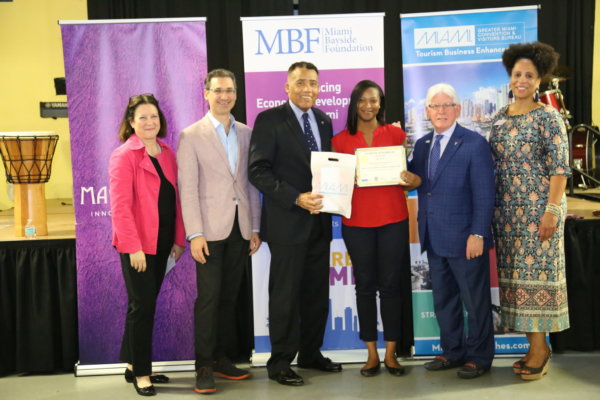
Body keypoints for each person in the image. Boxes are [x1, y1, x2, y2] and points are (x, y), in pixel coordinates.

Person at [248, 61, 341, 386]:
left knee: (316, 294)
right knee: (285, 296)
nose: (307, 89)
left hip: (320, 223)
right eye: (300, 82)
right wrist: (296, 198)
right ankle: (280, 362)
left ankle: (311, 353)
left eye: (313, 83)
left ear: (319, 87)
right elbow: (257, 170)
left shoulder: (324, 120)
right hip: (287, 223)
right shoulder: (269, 120)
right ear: (287, 87)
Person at [177, 69, 262, 394]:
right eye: (218, 91)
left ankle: (222, 359)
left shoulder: (247, 133)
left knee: (229, 298)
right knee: (209, 299)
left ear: (236, 95)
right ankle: (204, 365)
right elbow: (188, 189)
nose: (224, 96)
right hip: (209, 232)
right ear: (206, 94)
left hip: (240, 228)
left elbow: (250, 184)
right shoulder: (191, 135)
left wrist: (255, 226)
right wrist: (194, 234)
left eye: (229, 91)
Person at [490, 41, 570, 380]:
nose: (521, 80)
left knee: (539, 279)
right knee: (516, 283)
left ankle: (541, 349)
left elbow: (560, 169)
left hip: (540, 213)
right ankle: (533, 346)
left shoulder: (548, 117)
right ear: (510, 76)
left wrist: (551, 211)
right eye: (517, 74)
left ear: (539, 80)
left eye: (529, 75)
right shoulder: (498, 118)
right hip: (507, 216)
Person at [331, 80, 420, 377]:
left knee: (392, 286)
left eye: (374, 100)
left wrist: (410, 180)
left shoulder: (396, 135)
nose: (368, 106)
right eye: (362, 100)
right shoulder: (339, 140)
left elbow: (407, 177)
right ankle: (371, 354)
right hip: (356, 223)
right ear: (354, 103)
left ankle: (391, 353)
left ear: (381, 103)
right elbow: (335, 184)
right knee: (365, 287)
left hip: (393, 219)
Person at [408, 83, 495, 379]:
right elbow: (415, 179)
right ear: (427, 111)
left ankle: (479, 357)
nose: (441, 111)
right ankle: (452, 351)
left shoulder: (474, 143)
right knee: (444, 301)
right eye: (435, 106)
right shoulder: (422, 145)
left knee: (475, 302)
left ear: (458, 110)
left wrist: (478, 234)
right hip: (433, 237)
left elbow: (485, 193)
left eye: (447, 105)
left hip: (466, 239)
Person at [109, 94, 186, 396]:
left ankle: (132, 364)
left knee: (143, 305)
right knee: (142, 308)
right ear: (131, 123)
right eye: (142, 117)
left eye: (154, 116)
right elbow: (121, 207)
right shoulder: (123, 155)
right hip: (139, 247)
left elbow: (175, 199)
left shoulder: (167, 152)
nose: (150, 122)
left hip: (163, 243)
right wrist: (133, 247)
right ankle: (142, 373)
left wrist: (178, 239)